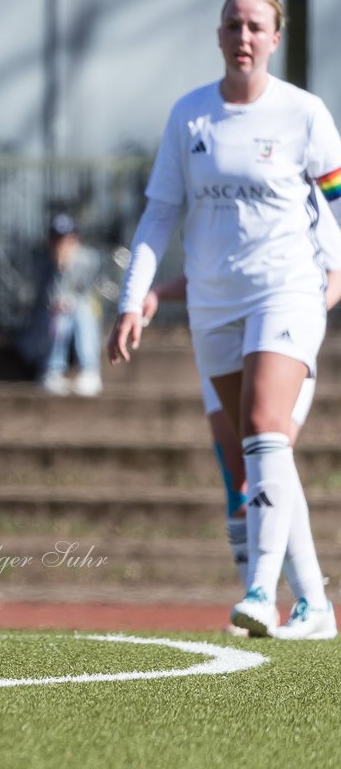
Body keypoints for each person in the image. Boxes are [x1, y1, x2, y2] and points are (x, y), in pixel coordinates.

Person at [109, 0, 341, 640]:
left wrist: (337, 274)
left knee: (267, 426)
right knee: (252, 452)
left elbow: (339, 202)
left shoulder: (304, 114)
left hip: (288, 291)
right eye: (233, 24)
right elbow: (161, 213)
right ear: (219, 36)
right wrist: (136, 299)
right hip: (214, 304)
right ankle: (317, 606)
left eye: (256, 26)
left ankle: (262, 592)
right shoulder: (190, 117)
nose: (244, 36)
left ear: (275, 37)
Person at [142, 243, 341, 639]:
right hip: (228, 341)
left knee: (265, 462)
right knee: (238, 480)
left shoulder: (312, 189)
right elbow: (218, 274)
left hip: (284, 340)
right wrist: (157, 293)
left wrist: (299, 311)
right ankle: (261, 610)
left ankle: (283, 598)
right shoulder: (222, 192)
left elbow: (335, 269)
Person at [25, 213, 103, 396]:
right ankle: (52, 371)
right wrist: (59, 269)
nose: (62, 244)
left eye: (67, 238)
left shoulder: (89, 259)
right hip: (48, 327)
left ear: (75, 238)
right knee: (59, 315)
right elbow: (40, 299)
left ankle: (90, 372)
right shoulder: (41, 261)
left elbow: (90, 294)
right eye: (57, 238)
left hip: (81, 321)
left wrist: (67, 270)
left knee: (82, 309)